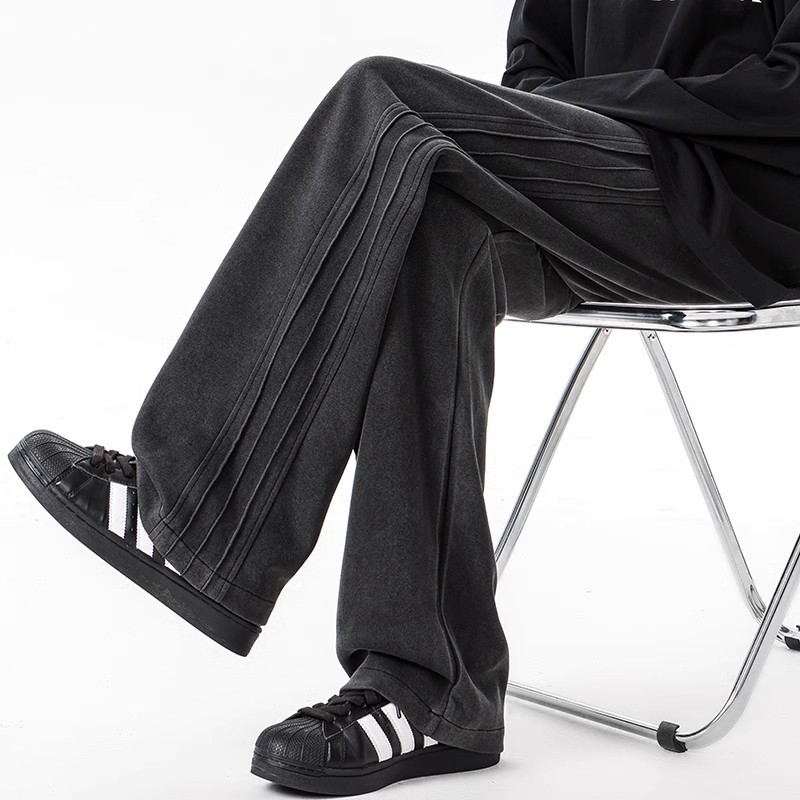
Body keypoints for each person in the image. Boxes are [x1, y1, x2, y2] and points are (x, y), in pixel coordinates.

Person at [9, 0, 800, 795]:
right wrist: (578, 118)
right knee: (428, 221)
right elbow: (534, 69)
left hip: (750, 203)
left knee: (386, 96)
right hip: (597, 182)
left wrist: (595, 112)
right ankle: (427, 690)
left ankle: (194, 513)